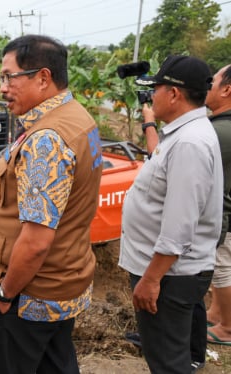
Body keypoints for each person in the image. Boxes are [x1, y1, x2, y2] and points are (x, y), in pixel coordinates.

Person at [0, 34, 103, 373]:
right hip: (64, 279)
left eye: (9, 76)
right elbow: (57, 192)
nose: (2, 87)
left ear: (43, 77)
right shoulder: (75, 116)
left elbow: (35, 243)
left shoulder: (47, 138)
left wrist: (4, 295)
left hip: (30, 295)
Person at [119, 55, 222, 374]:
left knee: (167, 362)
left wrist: (151, 279)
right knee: (166, 354)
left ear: (174, 94)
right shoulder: (184, 134)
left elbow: (180, 225)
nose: (152, 97)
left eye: (157, 89)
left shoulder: (190, 143)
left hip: (168, 276)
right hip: (168, 272)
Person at [205, 64, 231, 346]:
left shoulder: (221, 131)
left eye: (212, 82)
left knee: (222, 267)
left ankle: (228, 328)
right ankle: (216, 312)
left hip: (224, 215)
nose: (207, 87)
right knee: (218, 266)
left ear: (227, 90)